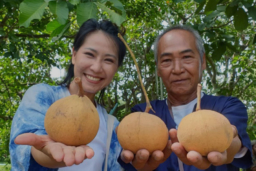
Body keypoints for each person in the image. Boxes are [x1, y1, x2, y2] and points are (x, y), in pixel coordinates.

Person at [118, 25, 253, 171]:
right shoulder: (143, 113)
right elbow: (132, 155)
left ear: (203, 62)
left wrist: (227, 145)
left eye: (187, 57)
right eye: (167, 60)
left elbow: (234, 140)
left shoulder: (227, 106)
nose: (177, 69)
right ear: (158, 69)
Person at [9, 19, 126, 171]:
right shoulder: (42, 96)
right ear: (74, 55)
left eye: (109, 60)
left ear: (116, 69)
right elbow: (30, 147)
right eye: (90, 54)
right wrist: (49, 154)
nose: (97, 67)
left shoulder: (112, 126)